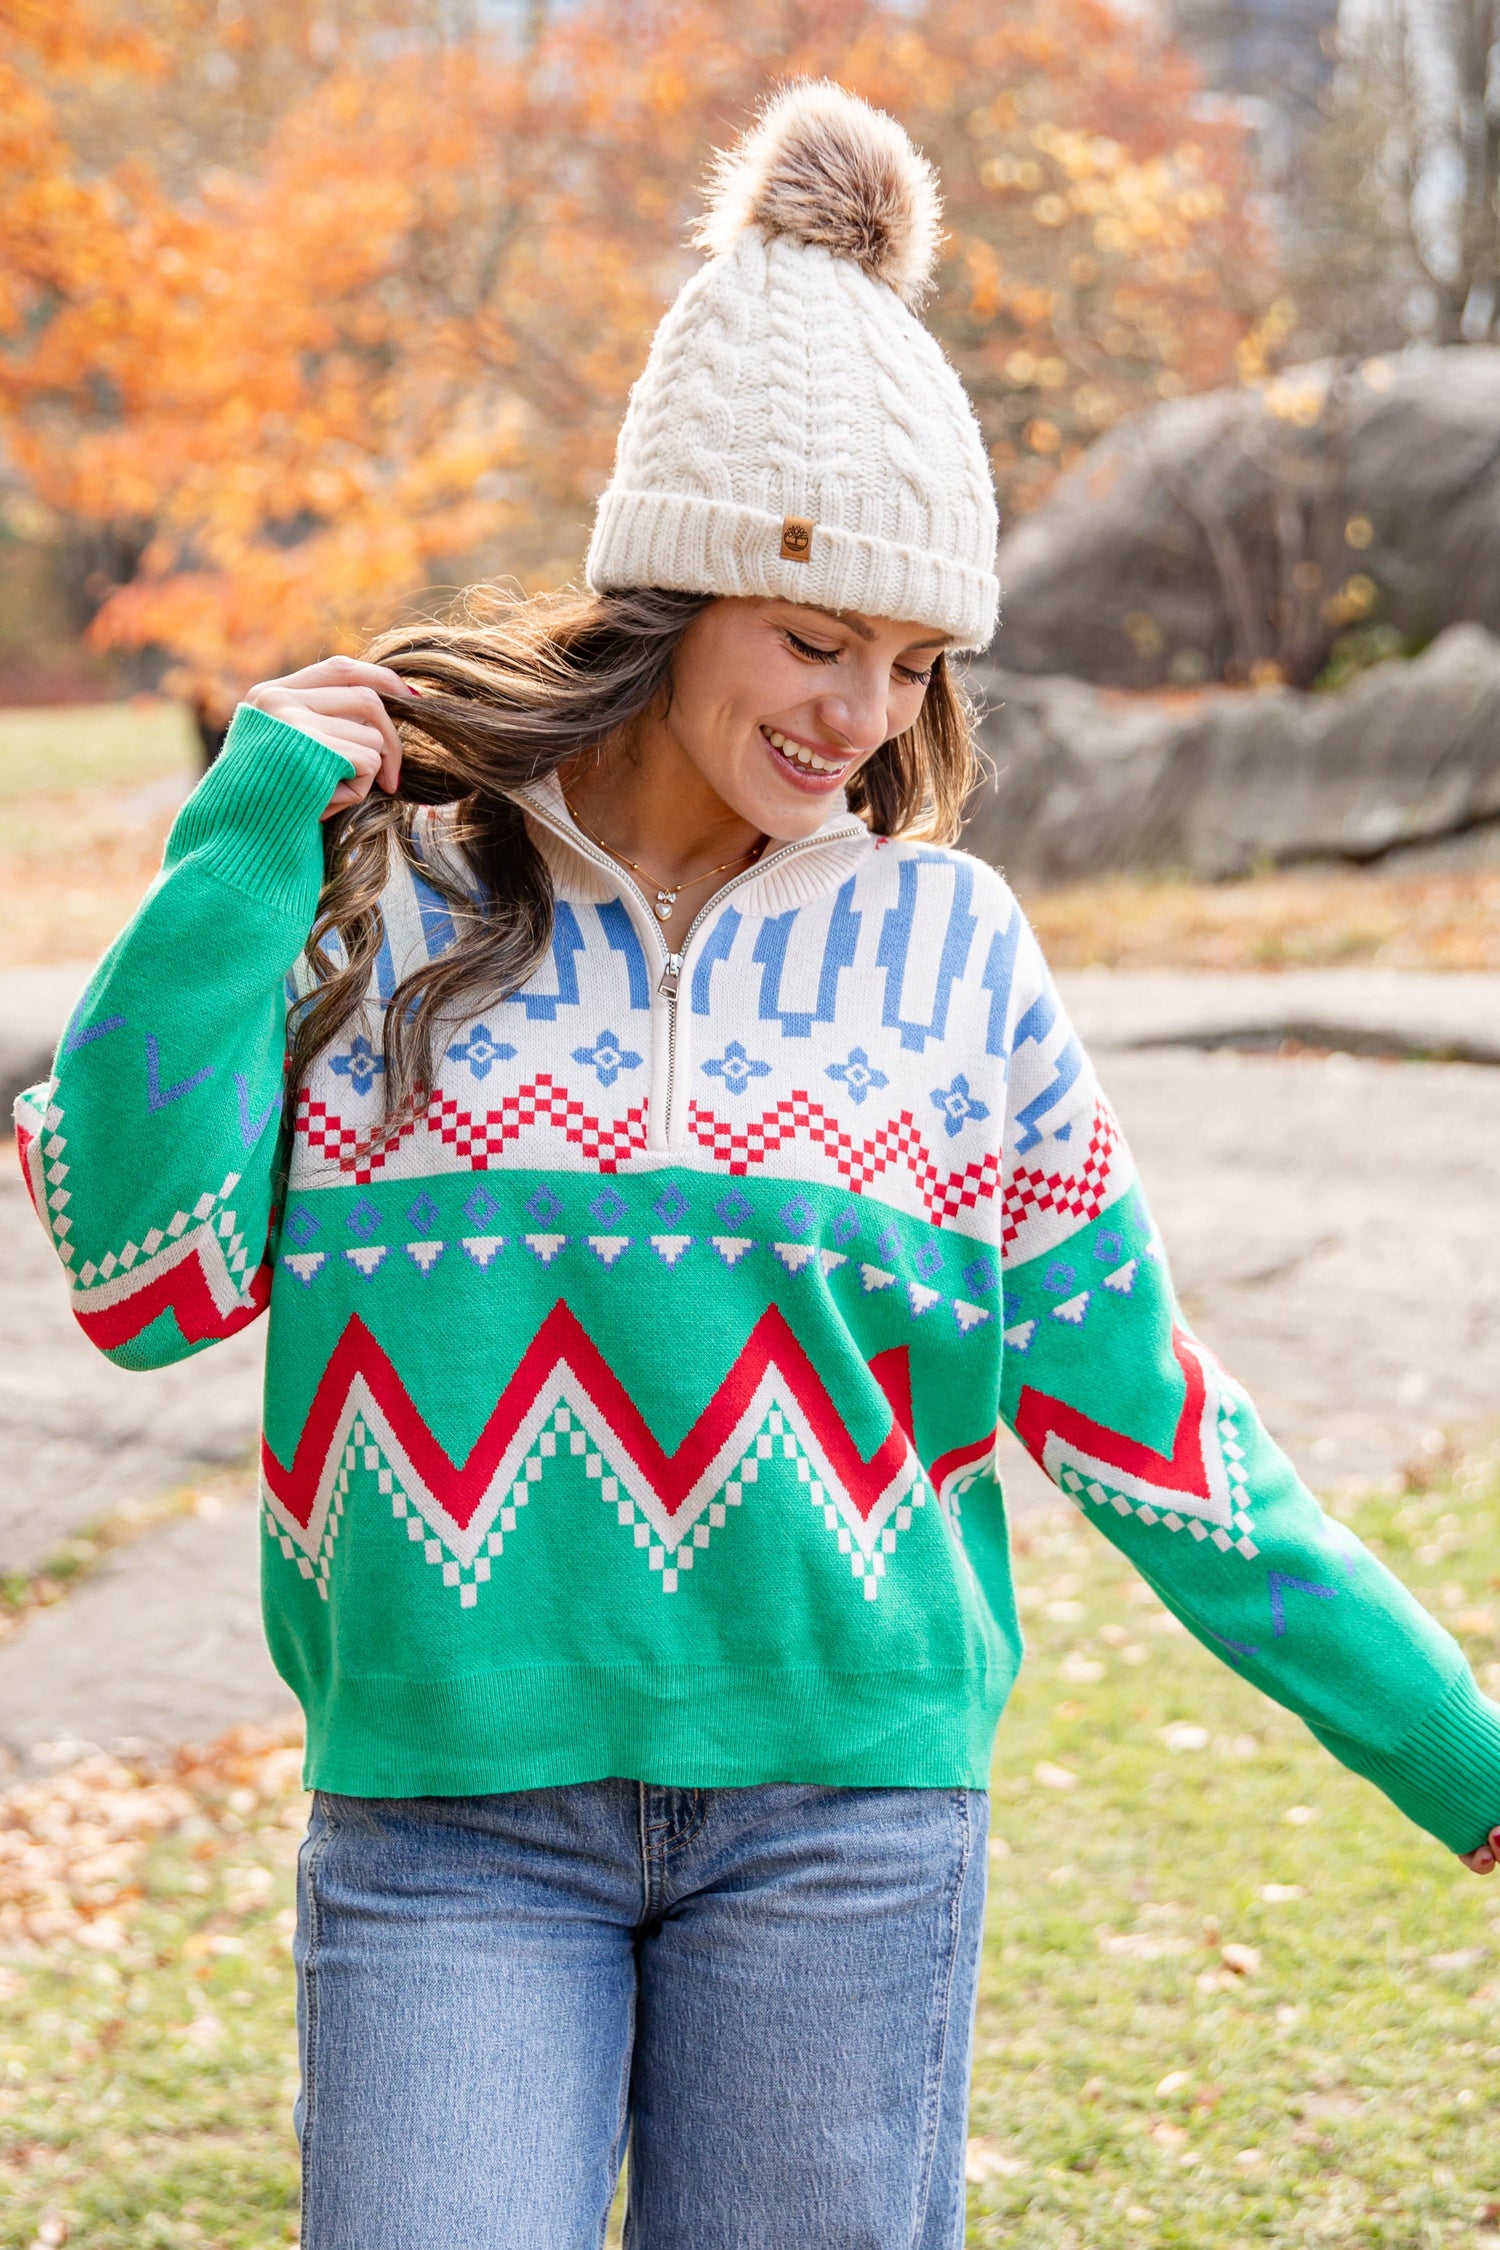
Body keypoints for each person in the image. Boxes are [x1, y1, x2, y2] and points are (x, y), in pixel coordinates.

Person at [15, 80, 1500, 2250]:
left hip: (848, 1830)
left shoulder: (948, 944)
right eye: (817, 641)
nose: (861, 723)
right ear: (678, 588)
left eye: (912, 668)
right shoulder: (392, 895)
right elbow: (144, 1282)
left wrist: (1457, 1757)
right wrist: (245, 840)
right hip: (447, 1838)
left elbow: (1158, 1427)